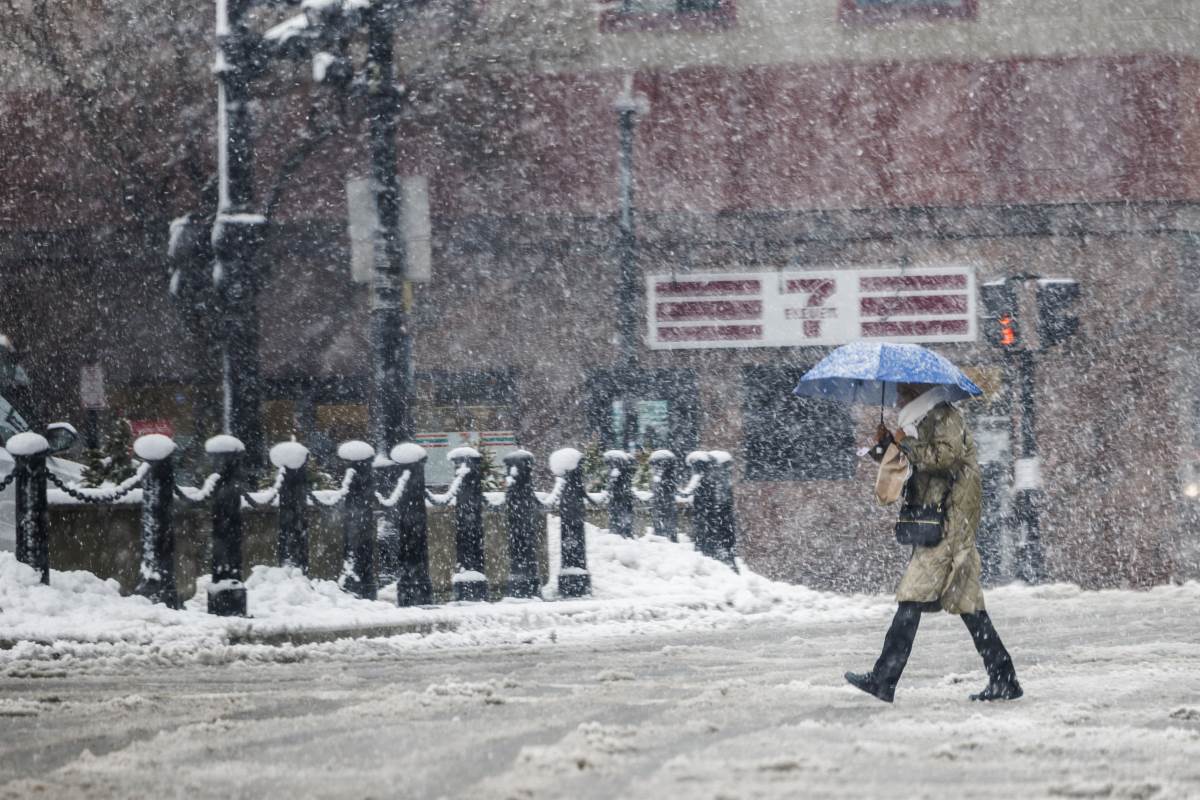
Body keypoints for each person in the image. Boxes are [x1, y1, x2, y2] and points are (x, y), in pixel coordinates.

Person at [845, 381, 1022, 703]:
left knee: (911, 596)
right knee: (970, 605)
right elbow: (911, 467)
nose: (897, 396)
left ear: (917, 390)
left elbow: (946, 457)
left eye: (902, 391)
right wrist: (885, 446)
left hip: (952, 520)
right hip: (936, 517)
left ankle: (884, 678)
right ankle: (1003, 676)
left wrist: (906, 444)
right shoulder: (917, 421)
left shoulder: (943, 415)